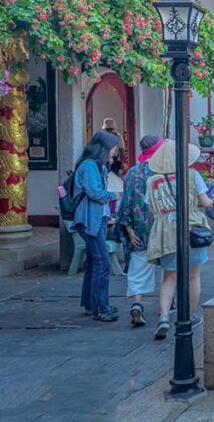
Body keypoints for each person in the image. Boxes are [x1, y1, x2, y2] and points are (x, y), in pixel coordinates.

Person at [145, 140, 213, 339]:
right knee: (194, 275)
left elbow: (150, 207)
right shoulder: (192, 175)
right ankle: (189, 316)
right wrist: (211, 202)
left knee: (169, 276)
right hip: (191, 228)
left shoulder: (152, 181)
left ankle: (164, 316)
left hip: (164, 231)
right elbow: (205, 201)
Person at [72, 131, 121, 321]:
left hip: (96, 218)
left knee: (94, 262)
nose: (115, 152)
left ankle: (91, 303)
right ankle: (102, 307)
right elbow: (95, 193)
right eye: (113, 149)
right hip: (89, 219)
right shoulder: (89, 166)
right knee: (102, 262)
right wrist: (112, 196)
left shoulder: (97, 166)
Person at [114, 134, 162, 327]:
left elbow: (125, 204)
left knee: (138, 268)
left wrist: (128, 228)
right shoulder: (164, 172)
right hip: (161, 227)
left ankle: (137, 304)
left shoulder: (132, 173)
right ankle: (167, 304)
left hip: (139, 228)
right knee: (170, 269)